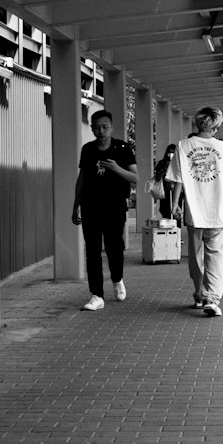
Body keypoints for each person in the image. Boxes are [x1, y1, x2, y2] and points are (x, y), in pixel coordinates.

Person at [167, 106, 223, 317]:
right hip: (218, 210)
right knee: (216, 257)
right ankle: (211, 298)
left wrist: (175, 203)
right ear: (216, 126)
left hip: (194, 211)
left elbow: (178, 177)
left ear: (197, 123)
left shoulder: (183, 145)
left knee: (196, 257)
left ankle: (200, 293)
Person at [71, 110, 138, 310]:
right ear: (91, 127)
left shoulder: (122, 148)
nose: (101, 131)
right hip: (91, 205)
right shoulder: (88, 149)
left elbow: (135, 178)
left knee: (114, 246)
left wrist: (116, 168)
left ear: (111, 127)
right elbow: (82, 179)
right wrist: (76, 206)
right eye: (97, 127)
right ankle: (96, 295)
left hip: (115, 205)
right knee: (92, 249)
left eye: (105, 126)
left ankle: (117, 279)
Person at [153, 143, 182, 224]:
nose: (171, 154)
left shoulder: (179, 163)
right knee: (165, 210)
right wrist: (165, 169)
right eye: (169, 152)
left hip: (176, 192)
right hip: (165, 191)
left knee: (176, 212)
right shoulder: (161, 163)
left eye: (173, 152)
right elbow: (157, 177)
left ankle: (177, 229)